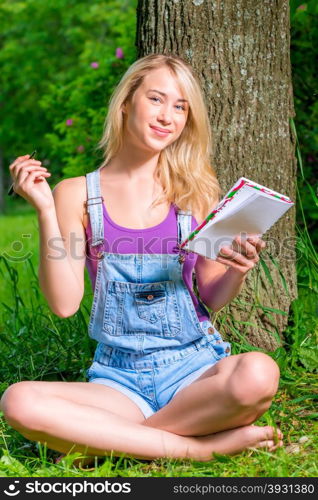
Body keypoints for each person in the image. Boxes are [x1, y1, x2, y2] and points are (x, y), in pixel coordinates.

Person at [1, 54, 282, 464]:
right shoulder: (75, 194)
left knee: (259, 372)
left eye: (181, 107)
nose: (168, 116)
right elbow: (64, 305)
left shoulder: (197, 192)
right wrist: (44, 209)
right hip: (118, 381)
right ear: (127, 103)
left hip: (194, 370)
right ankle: (201, 449)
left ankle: (112, 445)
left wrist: (237, 271)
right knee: (19, 400)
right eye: (156, 99)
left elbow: (213, 297)